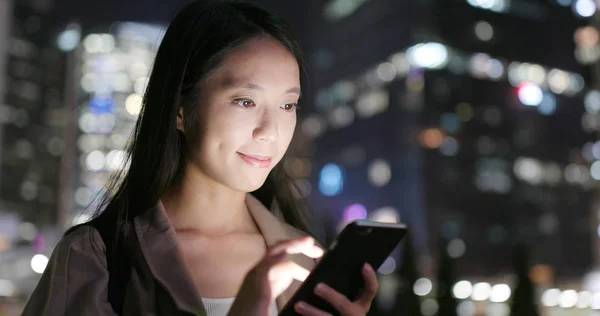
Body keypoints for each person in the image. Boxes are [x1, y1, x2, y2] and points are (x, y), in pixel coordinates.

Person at [22, 1, 379, 315]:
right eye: (245, 101)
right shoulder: (96, 260)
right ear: (180, 109)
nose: (270, 131)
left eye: (287, 105)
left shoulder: (306, 261)